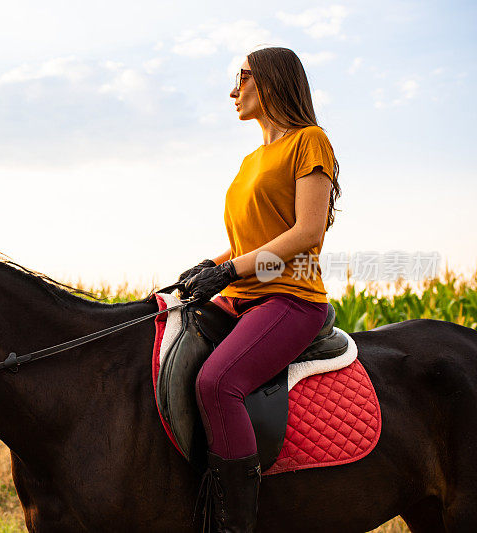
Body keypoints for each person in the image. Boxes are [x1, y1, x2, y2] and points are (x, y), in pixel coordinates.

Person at [177, 47, 341, 532]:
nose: (233, 91)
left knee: (217, 382)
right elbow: (246, 244)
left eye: (242, 78)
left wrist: (231, 273)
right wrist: (211, 265)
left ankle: (233, 524)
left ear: (269, 81)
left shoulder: (310, 142)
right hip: (243, 296)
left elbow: (307, 233)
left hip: (291, 298)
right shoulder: (251, 158)